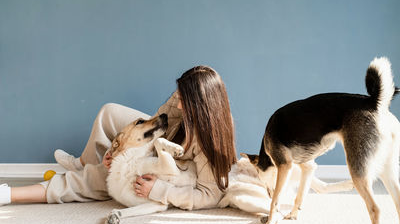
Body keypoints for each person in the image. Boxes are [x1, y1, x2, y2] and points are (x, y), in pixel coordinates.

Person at [0, 66, 237, 211]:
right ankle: (85, 161)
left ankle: (9, 194)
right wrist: (117, 152)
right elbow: (156, 122)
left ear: (200, 106)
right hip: (159, 142)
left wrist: (159, 190)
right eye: (178, 95)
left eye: (183, 100)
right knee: (109, 112)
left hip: (170, 168)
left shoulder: (209, 144)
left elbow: (210, 196)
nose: (177, 103)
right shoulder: (183, 103)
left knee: (96, 180)